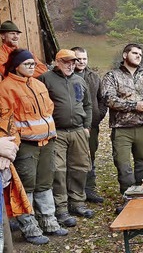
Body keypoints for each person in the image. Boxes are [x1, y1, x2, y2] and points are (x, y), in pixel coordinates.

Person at [0, 49, 65, 244]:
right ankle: (29, 227)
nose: (31, 67)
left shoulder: (38, 84)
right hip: (25, 146)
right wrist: (12, 147)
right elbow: (6, 120)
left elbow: (49, 110)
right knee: (26, 185)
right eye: (27, 64)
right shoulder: (6, 88)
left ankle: (49, 221)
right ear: (16, 66)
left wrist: (51, 134)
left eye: (32, 64)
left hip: (47, 142)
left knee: (45, 183)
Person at [38, 49, 94, 228]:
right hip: (57, 132)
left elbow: (88, 104)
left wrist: (86, 126)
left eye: (73, 61)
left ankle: (77, 202)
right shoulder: (46, 79)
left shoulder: (79, 79)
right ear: (57, 62)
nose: (71, 65)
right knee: (58, 170)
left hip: (78, 130)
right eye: (66, 61)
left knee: (80, 167)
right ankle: (61, 209)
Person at [101, 44, 143, 212]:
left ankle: (141, 197)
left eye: (140, 54)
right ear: (125, 55)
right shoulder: (112, 76)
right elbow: (109, 99)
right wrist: (135, 105)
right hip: (122, 128)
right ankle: (128, 199)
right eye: (134, 53)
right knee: (123, 165)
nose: (138, 56)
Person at [72, 47, 107, 204]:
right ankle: (75, 191)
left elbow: (102, 99)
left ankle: (89, 189)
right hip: (72, 126)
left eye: (84, 59)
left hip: (92, 125)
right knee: (74, 159)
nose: (81, 62)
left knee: (90, 156)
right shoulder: (67, 76)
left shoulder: (94, 76)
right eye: (78, 59)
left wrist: (98, 115)